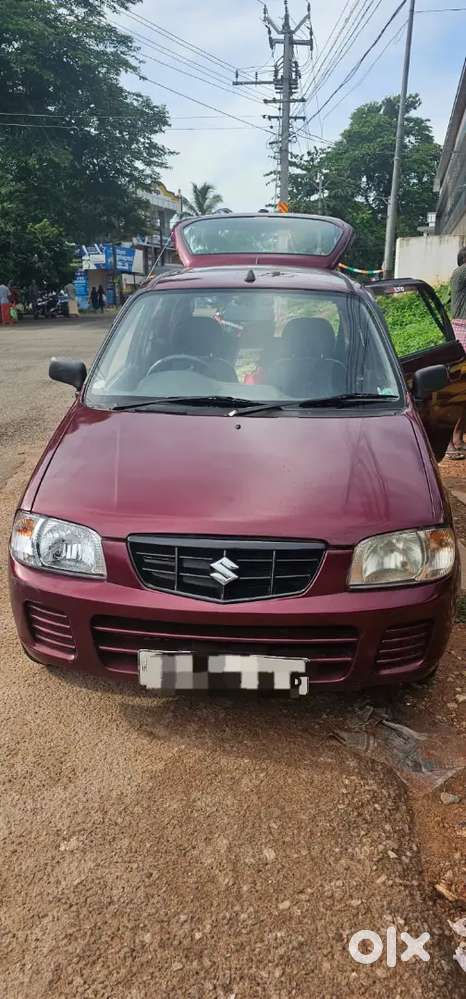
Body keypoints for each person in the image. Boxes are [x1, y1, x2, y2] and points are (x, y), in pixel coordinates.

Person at [447, 246, 466, 460]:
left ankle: (458, 438)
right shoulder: (461, 272)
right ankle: (451, 442)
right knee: (459, 388)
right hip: (462, 331)